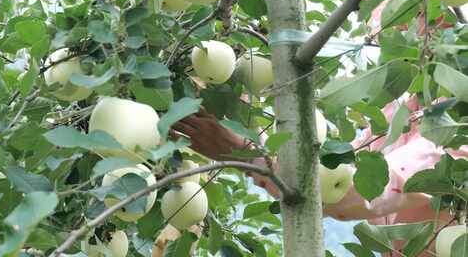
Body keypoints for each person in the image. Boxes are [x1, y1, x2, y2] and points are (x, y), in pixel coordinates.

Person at [170, 95, 468, 256]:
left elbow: (359, 190)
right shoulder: (401, 113)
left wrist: (245, 153)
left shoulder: (456, 127)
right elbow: (330, 172)